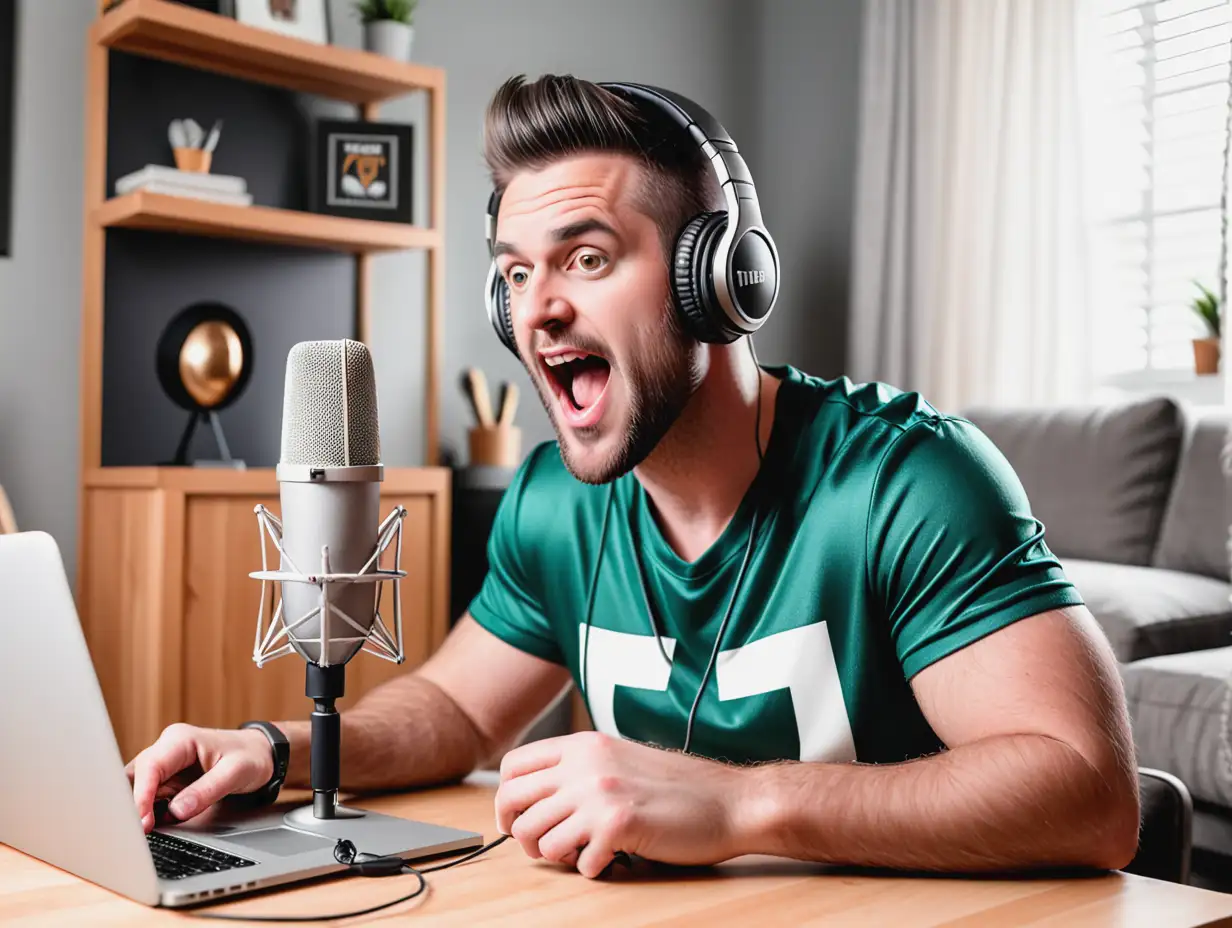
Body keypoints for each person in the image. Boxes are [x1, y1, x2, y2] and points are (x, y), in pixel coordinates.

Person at [127, 74, 1140, 880]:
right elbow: (454, 712)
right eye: (517, 273)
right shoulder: (551, 501)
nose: (538, 310)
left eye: (587, 258)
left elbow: (1089, 795)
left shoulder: (906, 479)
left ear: (721, 279)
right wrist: (272, 748)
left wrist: (740, 804)